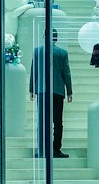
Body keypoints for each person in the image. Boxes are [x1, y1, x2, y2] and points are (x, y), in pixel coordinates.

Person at [30, 29, 73, 159]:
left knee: (42, 121)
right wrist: (69, 91)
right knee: (57, 122)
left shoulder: (38, 51)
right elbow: (67, 73)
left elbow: (34, 70)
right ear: (56, 38)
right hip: (58, 91)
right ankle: (56, 149)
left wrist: (32, 88)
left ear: (44, 36)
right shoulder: (62, 53)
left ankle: (42, 149)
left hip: (42, 90)